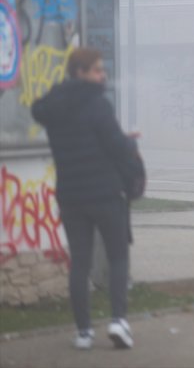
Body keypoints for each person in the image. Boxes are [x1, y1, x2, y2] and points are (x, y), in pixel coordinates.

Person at [31, 47, 141, 350]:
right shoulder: (97, 105)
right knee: (118, 256)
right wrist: (131, 150)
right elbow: (116, 146)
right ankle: (118, 321)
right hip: (105, 193)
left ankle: (83, 332)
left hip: (71, 196)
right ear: (79, 72)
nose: (102, 74)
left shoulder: (53, 107)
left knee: (79, 262)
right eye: (96, 69)